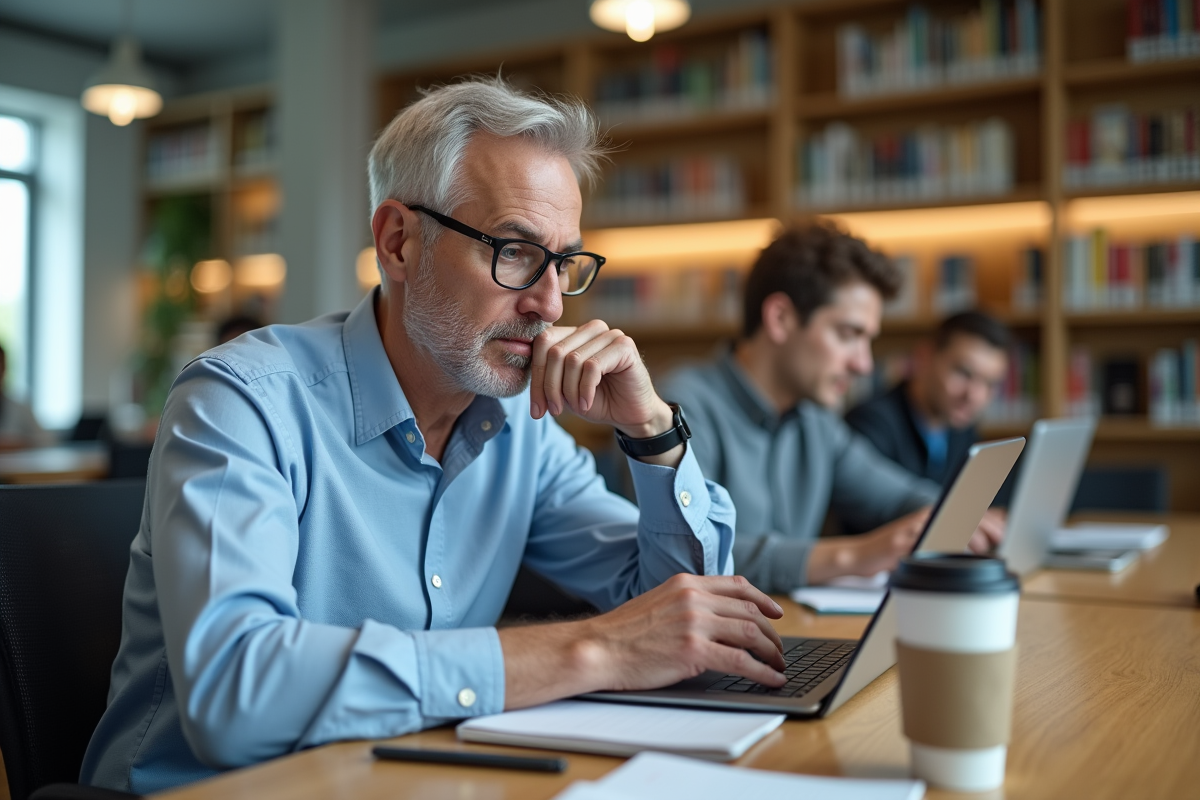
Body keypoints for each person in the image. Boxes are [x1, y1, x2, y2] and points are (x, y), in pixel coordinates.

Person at [81, 78, 789, 795]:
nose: (548, 303)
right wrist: (594, 649)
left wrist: (652, 431)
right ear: (398, 242)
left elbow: (688, 617)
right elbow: (237, 692)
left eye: (564, 262)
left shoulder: (521, 426)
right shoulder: (242, 401)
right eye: (514, 251)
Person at [660, 225, 1003, 595]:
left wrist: (965, 516)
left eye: (868, 341)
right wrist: (855, 555)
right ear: (781, 318)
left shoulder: (816, 420)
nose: (863, 365)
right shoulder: (680, 406)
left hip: (788, 633)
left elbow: (898, 496)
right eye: (848, 335)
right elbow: (690, 555)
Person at [845, 310, 1011, 487]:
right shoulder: (870, 426)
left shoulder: (962, 432)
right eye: (964, 373)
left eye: (990, 384)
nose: (974, 396)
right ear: (924, 357)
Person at [0, 342, 53, 448]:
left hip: (14, 464)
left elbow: (47, 440)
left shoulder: (19, 407)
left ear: (5, 368)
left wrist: (19, 443)